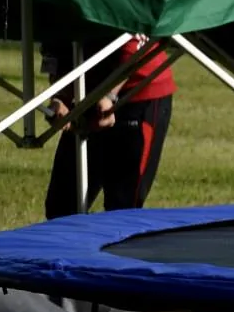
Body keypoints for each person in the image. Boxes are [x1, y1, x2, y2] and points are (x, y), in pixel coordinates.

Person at [43, 36, 175, 218]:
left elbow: (135, 40)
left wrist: (109, 96)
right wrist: (60, 96)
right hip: (88, 90)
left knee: (122, 208)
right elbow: (56, 44)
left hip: (139, 91)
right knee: (61, 205)